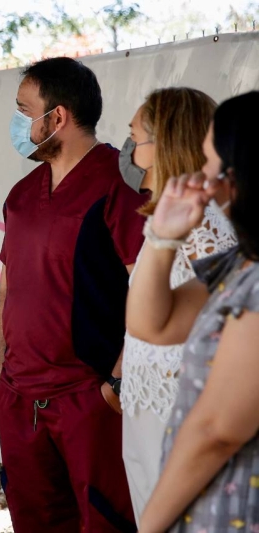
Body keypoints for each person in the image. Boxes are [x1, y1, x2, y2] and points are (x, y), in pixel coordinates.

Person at [0, 57, 146, 532]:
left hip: (89, 400)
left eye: (24, 110)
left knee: (104, 523)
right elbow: (7, 290)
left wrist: (116, 384)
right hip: (20, 401)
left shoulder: (119, 185)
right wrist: (4, 375)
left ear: (56, 117)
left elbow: (152, 288)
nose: (18, 122)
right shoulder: (21, 195)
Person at [130, 91, 259, 532]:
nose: (204, 177)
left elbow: (217, 431)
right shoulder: (243, 263)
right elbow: (153, 324)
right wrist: (162, 238)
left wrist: (149, 526)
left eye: (211, 162)